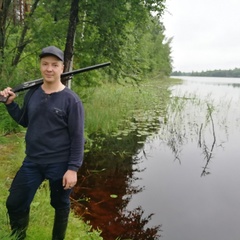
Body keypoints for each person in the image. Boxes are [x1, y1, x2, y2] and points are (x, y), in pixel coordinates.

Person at [0, 46, 85, 240]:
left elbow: (78, 138)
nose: (49, 69)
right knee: (15, 202)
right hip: (33, 162)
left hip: (60, 164)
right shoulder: (33, 94)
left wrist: (73, 169)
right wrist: (10, 104)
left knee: (60, 204)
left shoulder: (71, 101)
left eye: (54, 65)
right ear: (40, 66)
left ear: (62, 68)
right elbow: (25, 120)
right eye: (45, 64)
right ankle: (18, 236)